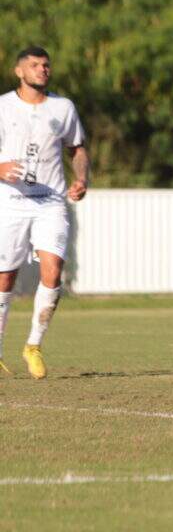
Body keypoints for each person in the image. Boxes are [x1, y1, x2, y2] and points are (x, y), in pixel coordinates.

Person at [0, 47, 89, 379]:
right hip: (10, 203)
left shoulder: (63, 108)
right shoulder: (3, 107)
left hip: (50, 202)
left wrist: (81, 178)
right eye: (34, 65)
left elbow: (77, 148)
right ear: (19, 71)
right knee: (5, 277)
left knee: (53, 271)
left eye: (46, 65)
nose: (42, 69)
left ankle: (33, 346)